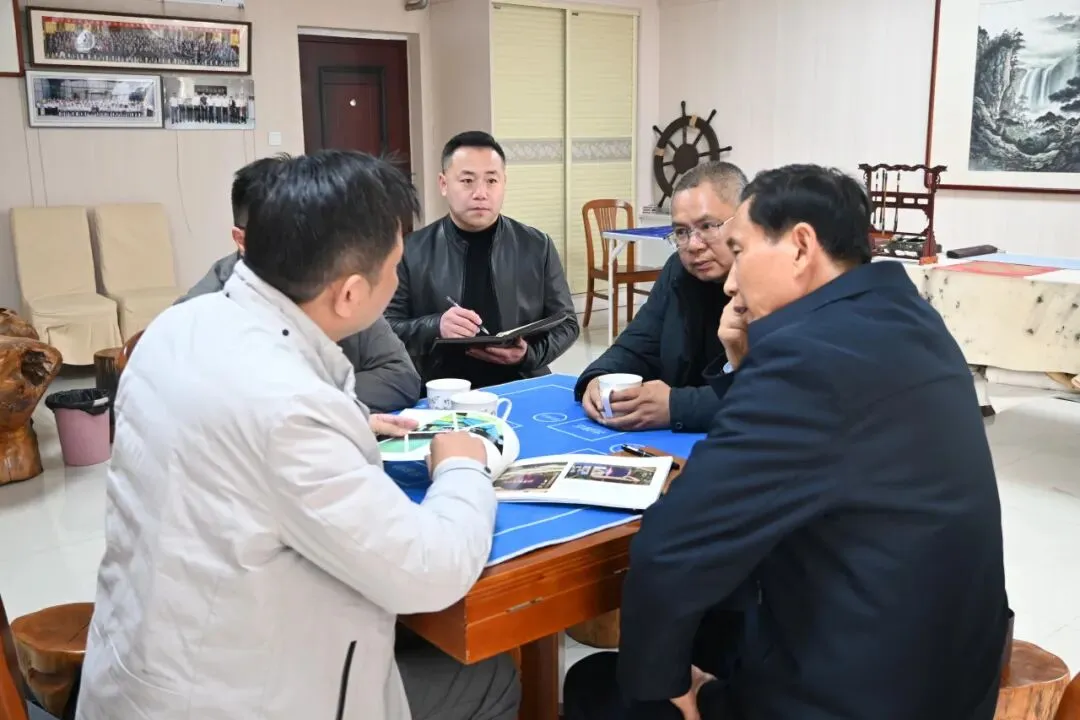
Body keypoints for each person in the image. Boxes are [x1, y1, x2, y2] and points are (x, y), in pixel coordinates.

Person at [76, 151, 519, 720]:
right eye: (394, 267)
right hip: (233, 700)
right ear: (351, 293)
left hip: (139, 669)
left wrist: (349, 424)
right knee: (490, 678)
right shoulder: (291, 412)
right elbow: (431, 572)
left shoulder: (179, 326)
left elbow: (229, 439)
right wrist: (462, 466)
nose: (397, 279)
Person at [563, 164, 1009, 720]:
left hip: (853, 692)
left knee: (600, 686)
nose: (730, 282)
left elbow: (671, 550)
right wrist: (743, 365)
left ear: (800, 247)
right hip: (946, 673)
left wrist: (670, 689)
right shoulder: (909, 317)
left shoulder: (808, 360)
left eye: (739, 251)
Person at [176, 154, 422, 414]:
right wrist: (313, 401)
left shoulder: (337, 281)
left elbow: (401, 377)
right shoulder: (198, 318)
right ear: (242, 240)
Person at [384, 130, 579, 388]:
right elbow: (386, 328)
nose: (480, 193)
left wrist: (528, 355)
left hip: (521, 383)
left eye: (491, 181)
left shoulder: (537, 245)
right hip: (441, 388)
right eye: (467, 181)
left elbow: (567, 323)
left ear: (504, 183)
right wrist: (436, 326)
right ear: (443, 184)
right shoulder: (411, 250)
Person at [574, 161, 746, 433]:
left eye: (707, 226)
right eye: (681, 232)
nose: (694, 245)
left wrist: (676, 406)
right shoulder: (678, 272)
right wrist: (598, 379)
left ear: (746, 219)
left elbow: (783, 395)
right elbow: (635, 347)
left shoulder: (776, 283)